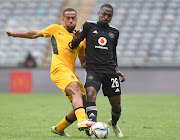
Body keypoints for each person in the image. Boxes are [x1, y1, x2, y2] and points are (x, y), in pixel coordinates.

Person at [6, 8, 95, 137]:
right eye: (68, 18)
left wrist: (99, 67)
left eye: (73, 18)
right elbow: (35, 34)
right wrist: (15, 34)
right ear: (63, 19)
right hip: (58, 69)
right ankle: (82, 122)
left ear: (76, 19)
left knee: (83, 103)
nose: (71, 20)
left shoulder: (81, 39)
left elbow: (83, 63)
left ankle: (58, 129)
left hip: (70, 72)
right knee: (76, 89)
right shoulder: (55, 29)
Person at [69, 4, 125, 137]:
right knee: (90, 95)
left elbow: (113, 52)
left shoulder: (115, 32)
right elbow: (74, 45)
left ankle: (114, 123)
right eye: (104, 14)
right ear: (99, 13)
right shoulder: (88, 26)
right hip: (93, 69)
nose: (106, 17)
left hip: (110, 71)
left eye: (109, 15)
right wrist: (75, 39)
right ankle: (92, 126)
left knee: (116, 105)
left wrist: (116, 69)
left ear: (112, 17)